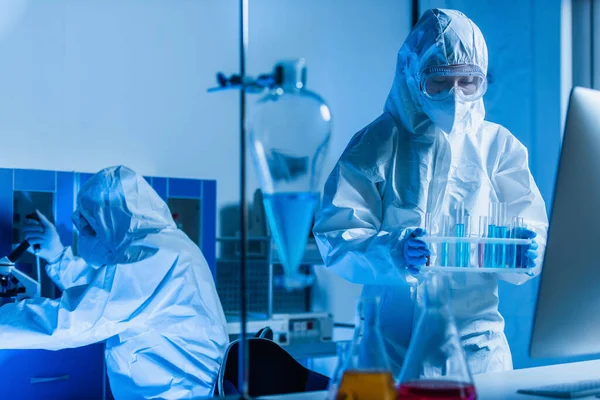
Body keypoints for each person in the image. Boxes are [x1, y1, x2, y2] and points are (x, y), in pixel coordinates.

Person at [313, 9, 548, 378]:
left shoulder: (499, 148)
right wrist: (393, 251)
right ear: (411, 75)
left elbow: (530, 230)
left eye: (468, 81)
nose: (456, 96)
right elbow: (336, 236)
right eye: (439, 82)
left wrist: (526, 251)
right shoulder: (376, 144)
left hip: (477, 351)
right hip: (393, 349)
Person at [1, 165, 228, 399]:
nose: (85, 236)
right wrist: (58, 256)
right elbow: (105, 291)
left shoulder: (156, 255)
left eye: (89, 229)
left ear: (109, 223)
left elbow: (78, 318)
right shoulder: (164, 248)